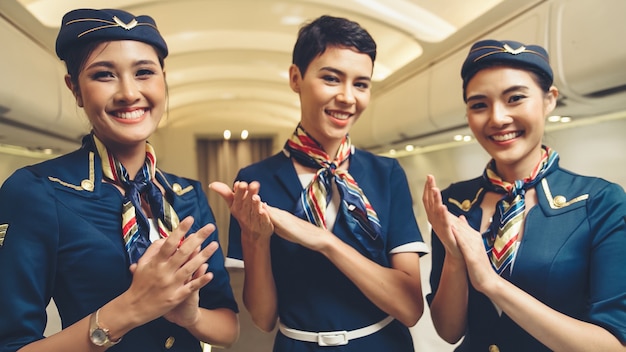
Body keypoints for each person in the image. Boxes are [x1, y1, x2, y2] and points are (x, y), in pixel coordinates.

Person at [0, 8, 239, 352]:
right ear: (76, 90)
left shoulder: (186, 194)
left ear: (163, 80)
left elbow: (228, 329)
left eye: (144, 72)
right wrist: (132, 308)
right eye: (104, 75)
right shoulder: (37, 191)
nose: (129, 93)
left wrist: (190, 318)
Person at [210, 15, 429, 351]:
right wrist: (255, 239)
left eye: (361, 84)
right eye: (331, 78)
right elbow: (264, 318)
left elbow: (410, 308)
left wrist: (324, 242)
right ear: (296, 78)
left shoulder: (386, 174)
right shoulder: (256, 182)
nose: (347, 97)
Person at [423, 39, 626, 352]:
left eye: (515, 98)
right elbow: (449, 332)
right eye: (479, 105)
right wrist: (454, 258)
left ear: (549, 100)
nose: (497, 118)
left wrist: (491, 282)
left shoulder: (600, 201)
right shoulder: (452, 202)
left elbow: (612, 345)